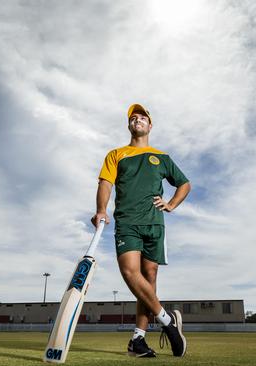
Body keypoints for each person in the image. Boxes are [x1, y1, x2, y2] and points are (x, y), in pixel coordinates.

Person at [91, 103, 191, 358]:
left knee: (149, 279)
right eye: (133, 118)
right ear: (129, 126)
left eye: (142, 117)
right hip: (127, 222)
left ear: (150, 124)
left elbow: (184, 184)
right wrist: (101, 209)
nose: (137, 119)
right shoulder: (116, 154)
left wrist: (170, 204)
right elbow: (105, 183)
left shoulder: (162, 157)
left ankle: (138, 340)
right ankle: (167, 321)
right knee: (130, 272)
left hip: (155, 223)